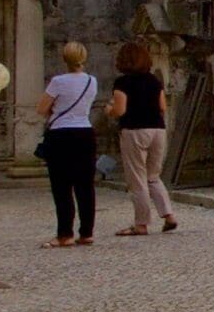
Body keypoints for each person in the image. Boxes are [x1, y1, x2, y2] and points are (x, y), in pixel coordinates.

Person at [106, 39, 175, 236]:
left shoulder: (123, 83)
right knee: (153, 176)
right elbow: (163, 107)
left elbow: (120, 110)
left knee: (137, 178)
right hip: (157, 129)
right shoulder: (154, 81)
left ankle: (141, 223)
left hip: (134, 129)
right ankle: (168, 215)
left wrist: (109, 110)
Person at [40, 40, 101, 248]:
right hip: (84, 132)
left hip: (61, 134)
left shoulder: (58, 81)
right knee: (85, 185)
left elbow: (42, 108)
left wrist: (54, 110)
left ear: (64, 58)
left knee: (62, 186)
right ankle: (87, 232)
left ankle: (65, 233)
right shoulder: (91, 81)